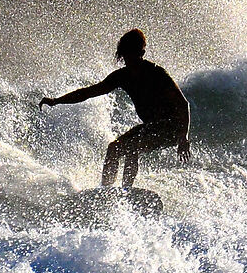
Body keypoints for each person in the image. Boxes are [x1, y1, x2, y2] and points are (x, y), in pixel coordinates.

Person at [40, 29, 192, 187]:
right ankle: (106, 190)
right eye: (126, 56)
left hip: (172, 128)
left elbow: (183, 104)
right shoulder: (122, 76)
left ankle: (126, 190)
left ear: (142, 52)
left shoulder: (156, 73)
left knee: (132, 147)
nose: (129, 61)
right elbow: (88, 92)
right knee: (113, 148)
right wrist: (56, 101)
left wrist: (183, 137)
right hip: (150, 127)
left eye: (133, 55)